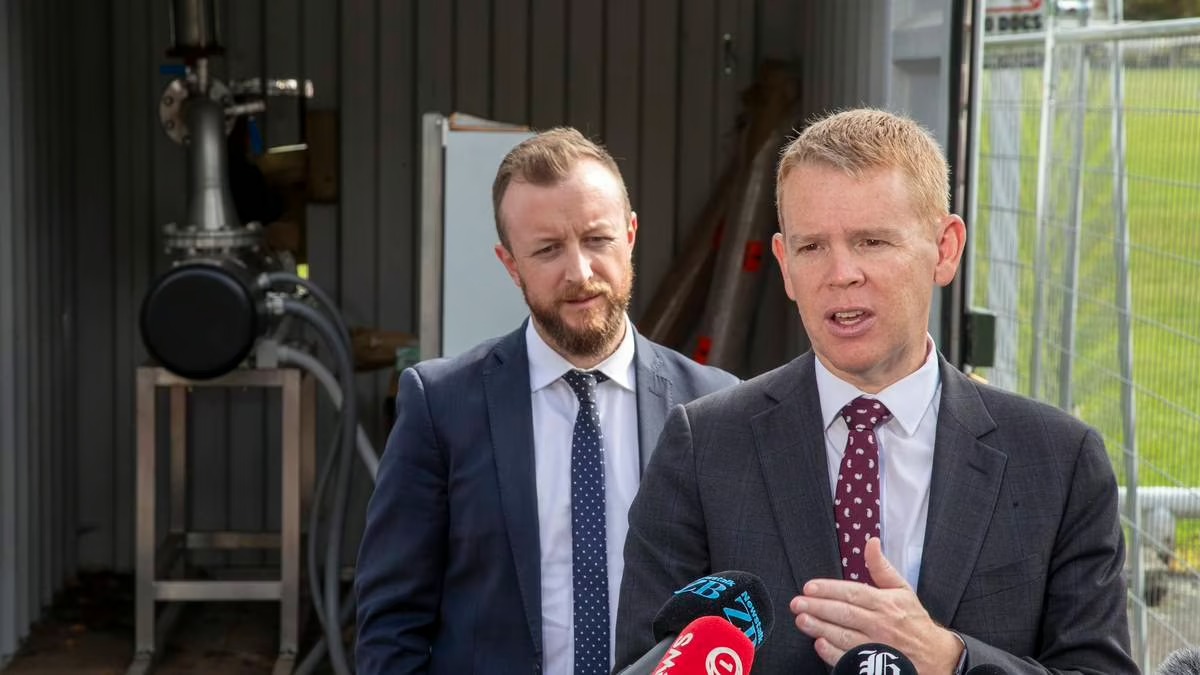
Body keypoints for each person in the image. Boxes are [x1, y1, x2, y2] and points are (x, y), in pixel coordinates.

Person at [614, 109, 1136, 674]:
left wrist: (951, 661)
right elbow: (645, 660)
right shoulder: (703, 447)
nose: (842, 273)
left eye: (872, 241)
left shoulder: (1057, 461)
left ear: (945, 248)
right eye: (813, 247)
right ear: (785, 265)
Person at [354, 127, 737, 674]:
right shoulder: (440, 407)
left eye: (597, 239)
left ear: (630, 235)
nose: (579, 273)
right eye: (548, 249)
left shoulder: (714, 405)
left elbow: (740, 610)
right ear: (511, 264)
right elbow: (391, 622)